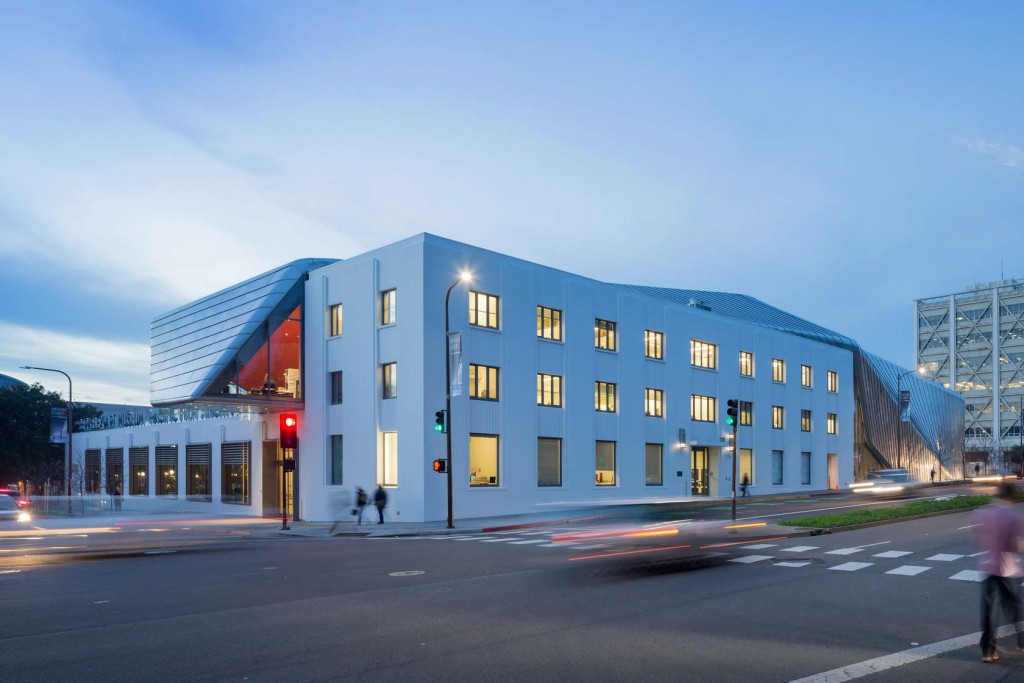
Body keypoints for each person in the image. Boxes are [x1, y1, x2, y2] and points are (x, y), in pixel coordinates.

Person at [974, 481, 1024, 663]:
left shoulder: (983, 512)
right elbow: (1017, 546)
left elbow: (978, 538)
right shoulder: (1013, 516)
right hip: (1008, 569)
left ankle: (987, 652)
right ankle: (1022, 642)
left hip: (987, 567)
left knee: (988, 610)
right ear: (1012, 497)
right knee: (1015, 606)